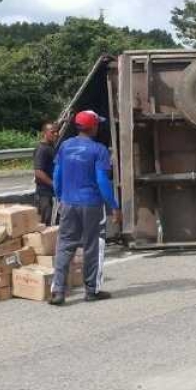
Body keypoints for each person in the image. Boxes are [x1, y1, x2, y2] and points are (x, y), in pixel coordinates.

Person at [49, 110, 121, 305]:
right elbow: (102, 181)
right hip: (91, 205)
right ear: (94, 127)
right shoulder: (99, 150)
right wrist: (114, 206)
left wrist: (60, 197)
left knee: (64, 246)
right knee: (93, 246)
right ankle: (91, 291)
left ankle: (58, 291)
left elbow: (57, 175)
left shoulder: (64, 146)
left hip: (68, 202)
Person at [33, 122, 59, 226]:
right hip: (44, 194)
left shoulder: (51, 147)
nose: (56, 134)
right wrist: (53, 184)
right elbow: (38, 172)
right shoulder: (42, 149)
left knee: (52, 223)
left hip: (50, 193)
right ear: (44, 133)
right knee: (45, 224)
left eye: (57, 132)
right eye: (53, 132)